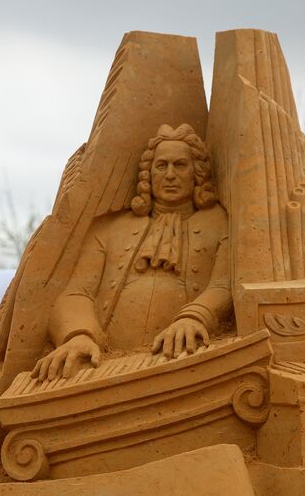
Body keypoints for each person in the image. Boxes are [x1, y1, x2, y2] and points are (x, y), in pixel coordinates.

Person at [32, 124, 232, 381]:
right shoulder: (109, 229)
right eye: (161, 166)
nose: (170, 174)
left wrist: (196, 318)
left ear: (198, 172)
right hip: (105, 368)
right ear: (148, 174)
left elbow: (224, 285)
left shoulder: (220, 224)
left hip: (187, 362)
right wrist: (78, 335)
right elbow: (76, 292)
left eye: (180, 165)